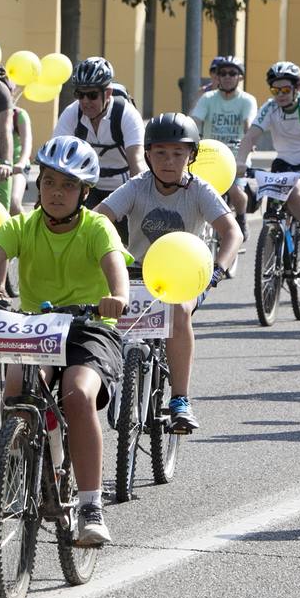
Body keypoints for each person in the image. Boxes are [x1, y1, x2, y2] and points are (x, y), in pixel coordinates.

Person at [0, 136, 129, 545]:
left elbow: (115, 266)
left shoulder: (97, 226)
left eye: (66, 185)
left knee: (78, 395)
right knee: (17, 389)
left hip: (90, 328)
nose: (55, 193)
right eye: (47, 182)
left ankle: (91, 504)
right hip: (38, 327)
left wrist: (117, 297)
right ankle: (30, 463)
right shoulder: (21, 226)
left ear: (84, 192)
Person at [95, 113, 241, 432]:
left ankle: (180, 399)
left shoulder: (199, 190)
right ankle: (113, 376)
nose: (169, 161)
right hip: (136, 272)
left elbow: (232, 232)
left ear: (191, 156)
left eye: (178, 153)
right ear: (147, 154)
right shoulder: (137, 186)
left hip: (185, 275)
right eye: (160, 152)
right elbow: (98, 219)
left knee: (178, 312)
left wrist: (218, 269)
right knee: (103, 309)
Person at [234, 61, 300, 260]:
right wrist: (240, 162)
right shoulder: (270, 107)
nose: (280, 94)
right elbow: (251, 136)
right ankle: (269, 267)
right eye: (275, 90)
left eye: (286, 89)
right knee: (272, 213)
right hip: (284, 163)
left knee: (293, 190)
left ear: (298, 88)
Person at [52, 57, 143, 208]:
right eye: (80, 94)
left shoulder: (126, 114)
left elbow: (137, 162)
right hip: (88, 185)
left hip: (123, 187)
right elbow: (56, 158)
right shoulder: (72, 113)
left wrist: (140, 203)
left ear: (108, 93)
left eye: (92, 95)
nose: (85, 101)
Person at [191, 55, 257, 236]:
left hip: (236, 154)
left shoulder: (247, 100)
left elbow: (248, 124)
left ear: (240, 77)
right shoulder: (208, 98)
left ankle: (242, 219)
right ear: (217, 77)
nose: (227, 77)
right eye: (223, 73)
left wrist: (249, 141)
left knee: (235, 190)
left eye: (232, 73)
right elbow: (195, 121)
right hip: (210, 153)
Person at [0, 100, 32, 303]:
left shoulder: (19, 115)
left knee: (14, 203)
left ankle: (28, 237)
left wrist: (21, 163)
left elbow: (27, 145)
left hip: (15, 170)